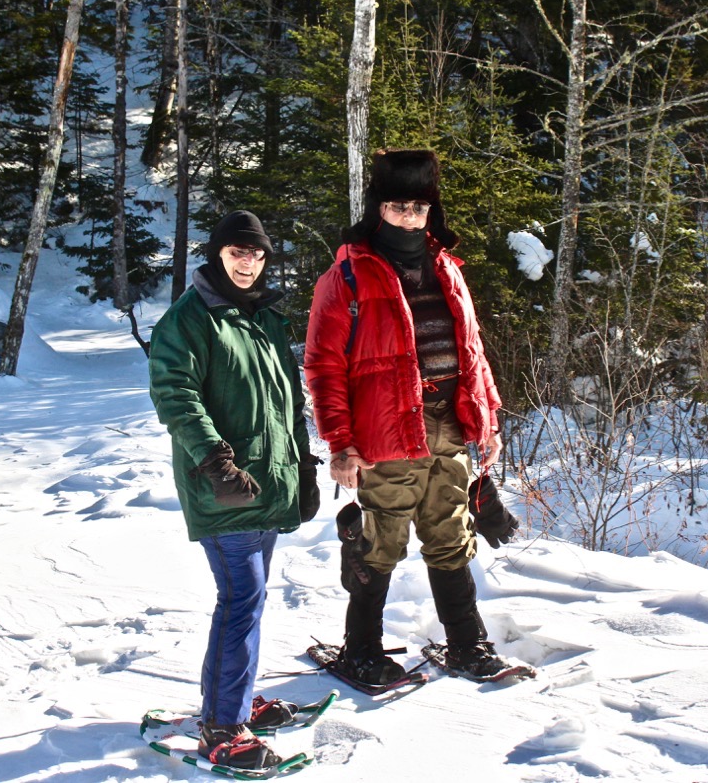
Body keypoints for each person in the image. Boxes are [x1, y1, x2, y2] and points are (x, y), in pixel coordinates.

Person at [304, 147, 520, 685]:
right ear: (379, 208)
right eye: (398, 206)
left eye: (418, 207)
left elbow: (472, 350)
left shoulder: (445, 267)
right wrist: (340, 443)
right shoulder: (348, 276)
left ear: (430, 211)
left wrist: (488, 422)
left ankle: (469, 646)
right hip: (385, 431)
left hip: (449, 424)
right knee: (382, 541)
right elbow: (323, 366)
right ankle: (362, 651)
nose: (408, 216)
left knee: (452, 535)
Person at [149, 210, 320, 772]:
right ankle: (223, 725)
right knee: (241, 600)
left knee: (249, 599)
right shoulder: (191, 317)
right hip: (223, 486)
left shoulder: (265, 317)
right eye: (237, 252)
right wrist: (215, 460)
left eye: (257, 254)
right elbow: (175, 393)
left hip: (268, 483)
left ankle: (233, 699)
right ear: (217, 254)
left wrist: (306, 469)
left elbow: (288, 404)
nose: (248, 262)